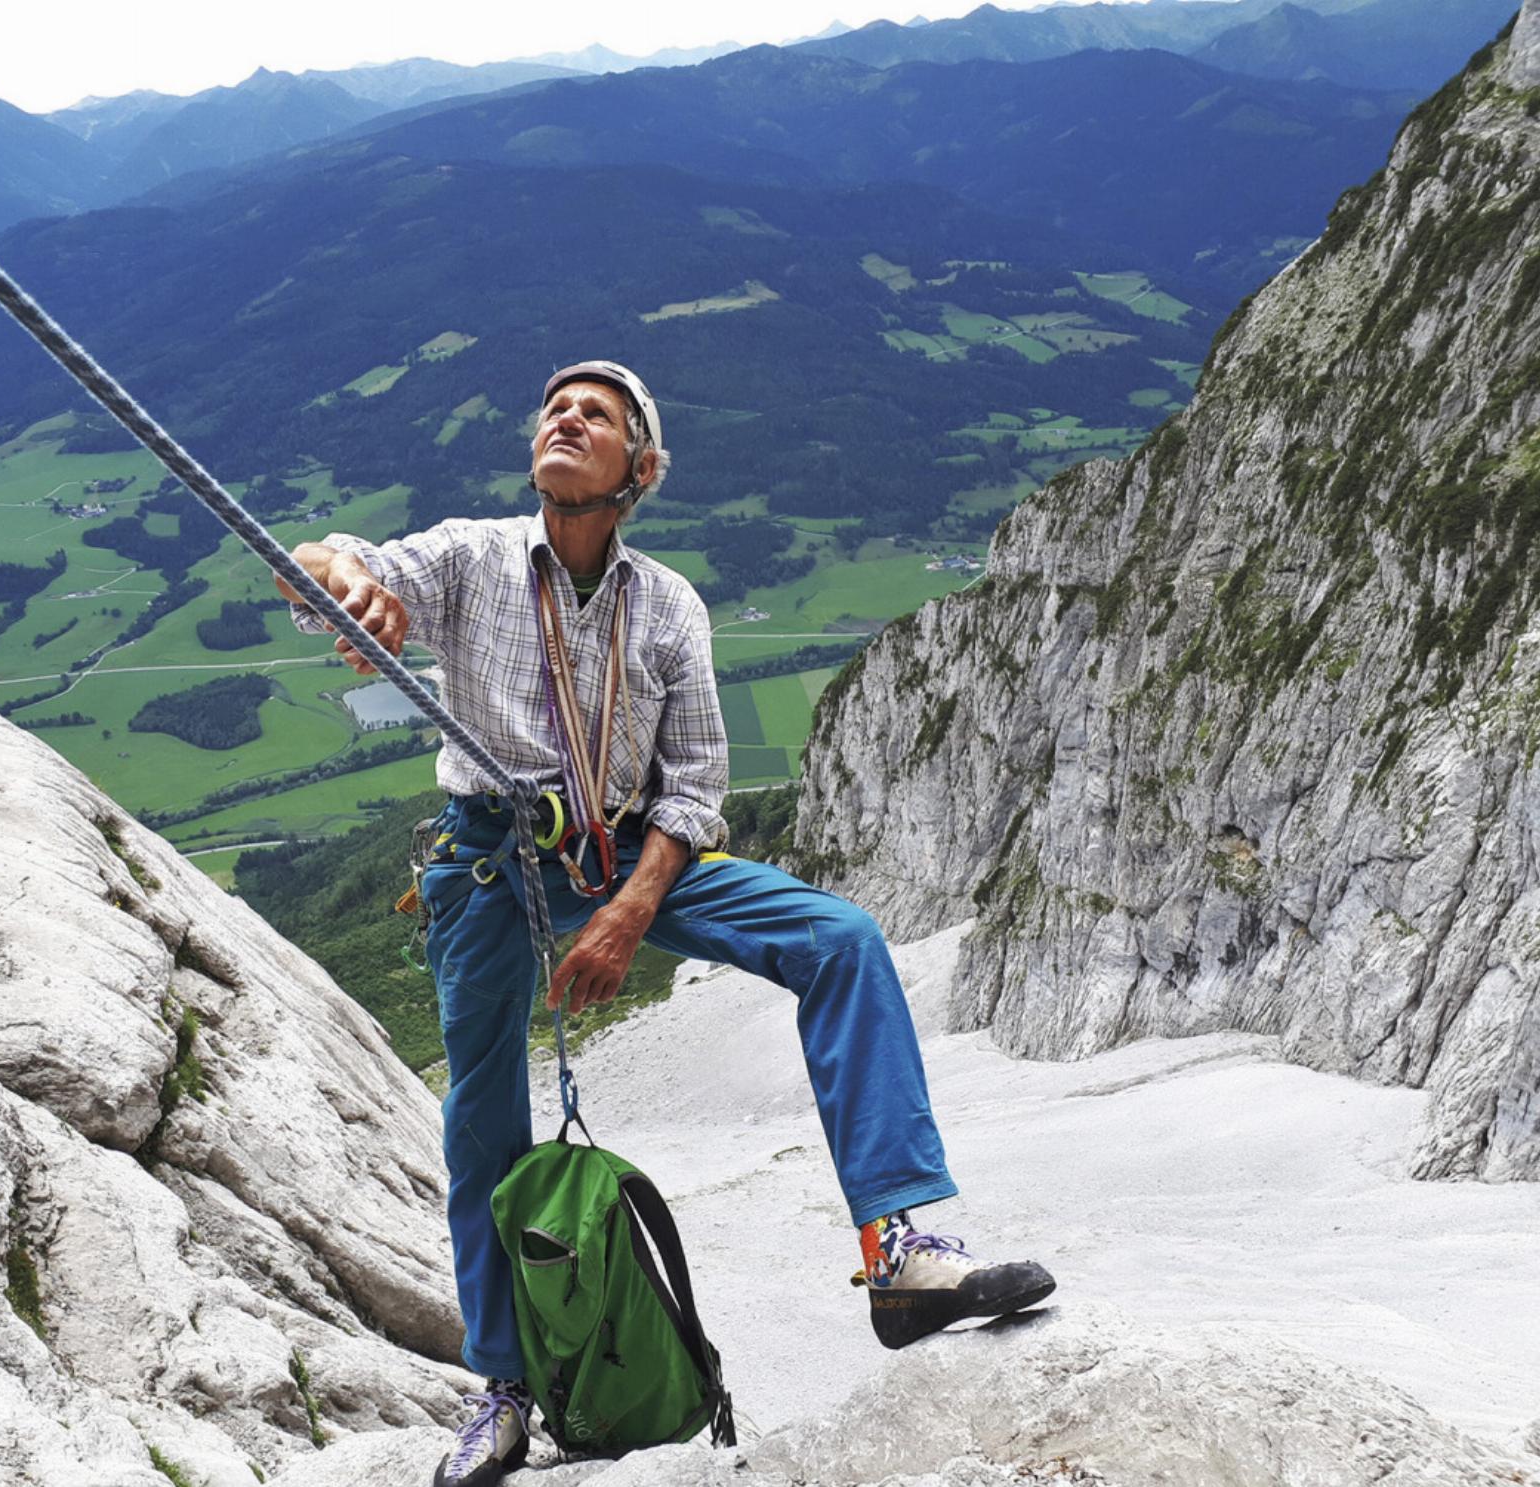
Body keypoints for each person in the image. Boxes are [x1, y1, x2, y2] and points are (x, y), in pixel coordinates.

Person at [280, 362, 1055, 1487]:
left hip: (625, 852)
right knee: (481, 1121)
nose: (564, 417)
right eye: (555, 406)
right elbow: (322, 564)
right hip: (492, 860)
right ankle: (501, 1387)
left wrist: (630, 909)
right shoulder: (471, 559)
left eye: (595, 415)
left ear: (637, 472)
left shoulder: (669, 606)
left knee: (839, 940)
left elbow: (694, 792)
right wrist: (353, 587)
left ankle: (902, 1251)